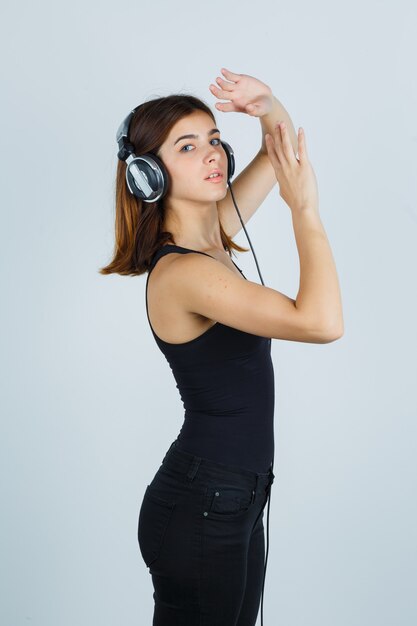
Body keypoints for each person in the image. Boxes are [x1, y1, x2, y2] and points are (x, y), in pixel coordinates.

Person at [99, 69, 344, 626]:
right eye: (187, 146)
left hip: (235, 497)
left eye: (214, 140)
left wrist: (268, 104)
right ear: (149, 176)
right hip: (202, 502)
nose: (212, 154)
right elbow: (322, 322)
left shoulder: (211, 238)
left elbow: (277, 146)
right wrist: (304, 210)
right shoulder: (184, 274)